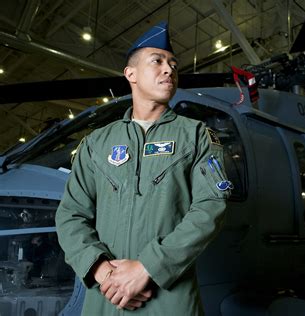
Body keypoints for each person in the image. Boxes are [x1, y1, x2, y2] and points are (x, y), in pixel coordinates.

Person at [55, 21, 231, 315]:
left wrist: (148, 267)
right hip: (106, 298)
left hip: (168, 297)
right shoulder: (97, 143)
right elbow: (71, 214)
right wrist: (101, 270)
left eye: (173, 64)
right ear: (131, 74)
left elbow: (210, 207)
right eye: (157, 61)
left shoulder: (196, 135)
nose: (169, 69)